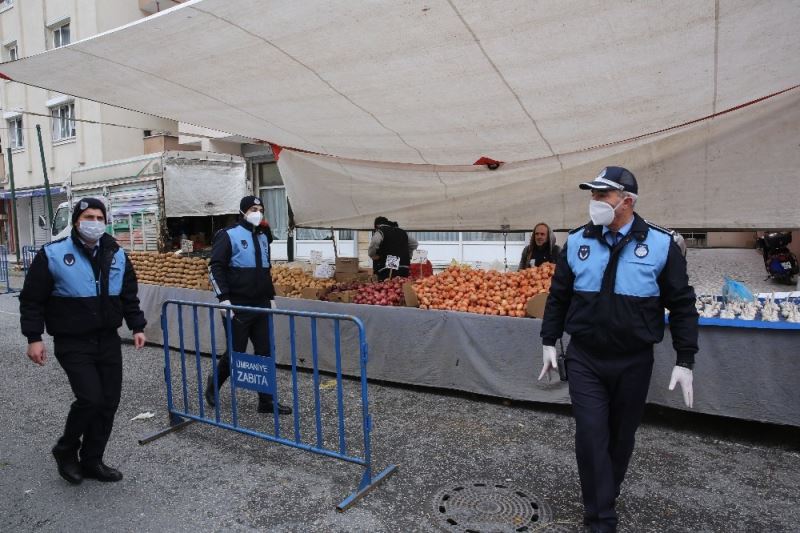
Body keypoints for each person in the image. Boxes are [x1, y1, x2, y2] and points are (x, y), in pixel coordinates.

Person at [538, 166, 697, 533]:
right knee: (591, 433)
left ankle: (604, 492)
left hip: (633, 361)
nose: (594, 202)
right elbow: (559, 297)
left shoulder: (661, 245)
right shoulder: (577, 241)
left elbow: (683, 304)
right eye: (592, 195)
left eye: (602, 195)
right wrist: (549, 339)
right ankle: (601, 518)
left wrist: (685, 358)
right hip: (585, 358)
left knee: (621, 437)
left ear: (627, 200)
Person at [20, 197, 147, 485]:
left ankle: (92, 459)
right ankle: (65, 450)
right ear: (77, 221)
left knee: (109, 402)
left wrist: (137, 325)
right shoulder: (53, 254)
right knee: (90, 399)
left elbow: (128, 294)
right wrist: (34, 338)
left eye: (100, 217)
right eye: (88, 217)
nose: (95, 223)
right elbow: (32, 300)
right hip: (72, 340)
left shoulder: (116, 253)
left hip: (107, 339)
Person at [207, 195, 291, 415]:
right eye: (253, 208)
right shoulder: (228, 235)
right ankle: (213, 385)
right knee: (236, 351)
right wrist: (223, 299)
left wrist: (270, 296)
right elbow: (215, 267)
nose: (258, 212)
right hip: (237, 305)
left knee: (265, 352)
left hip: (260, 305)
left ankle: (266, 401)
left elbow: (265, 269)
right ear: (243, 211)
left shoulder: (263, 236)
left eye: (261, 208)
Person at [368, 216, 418, 281]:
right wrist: (408, 255)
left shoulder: (381, 231)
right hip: (404, 268)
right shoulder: (402, 232)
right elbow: (414, 244)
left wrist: (372, 255)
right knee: (402, 287)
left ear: (377, 225)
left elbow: (375, 242)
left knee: (387, 288)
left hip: (386, 269)